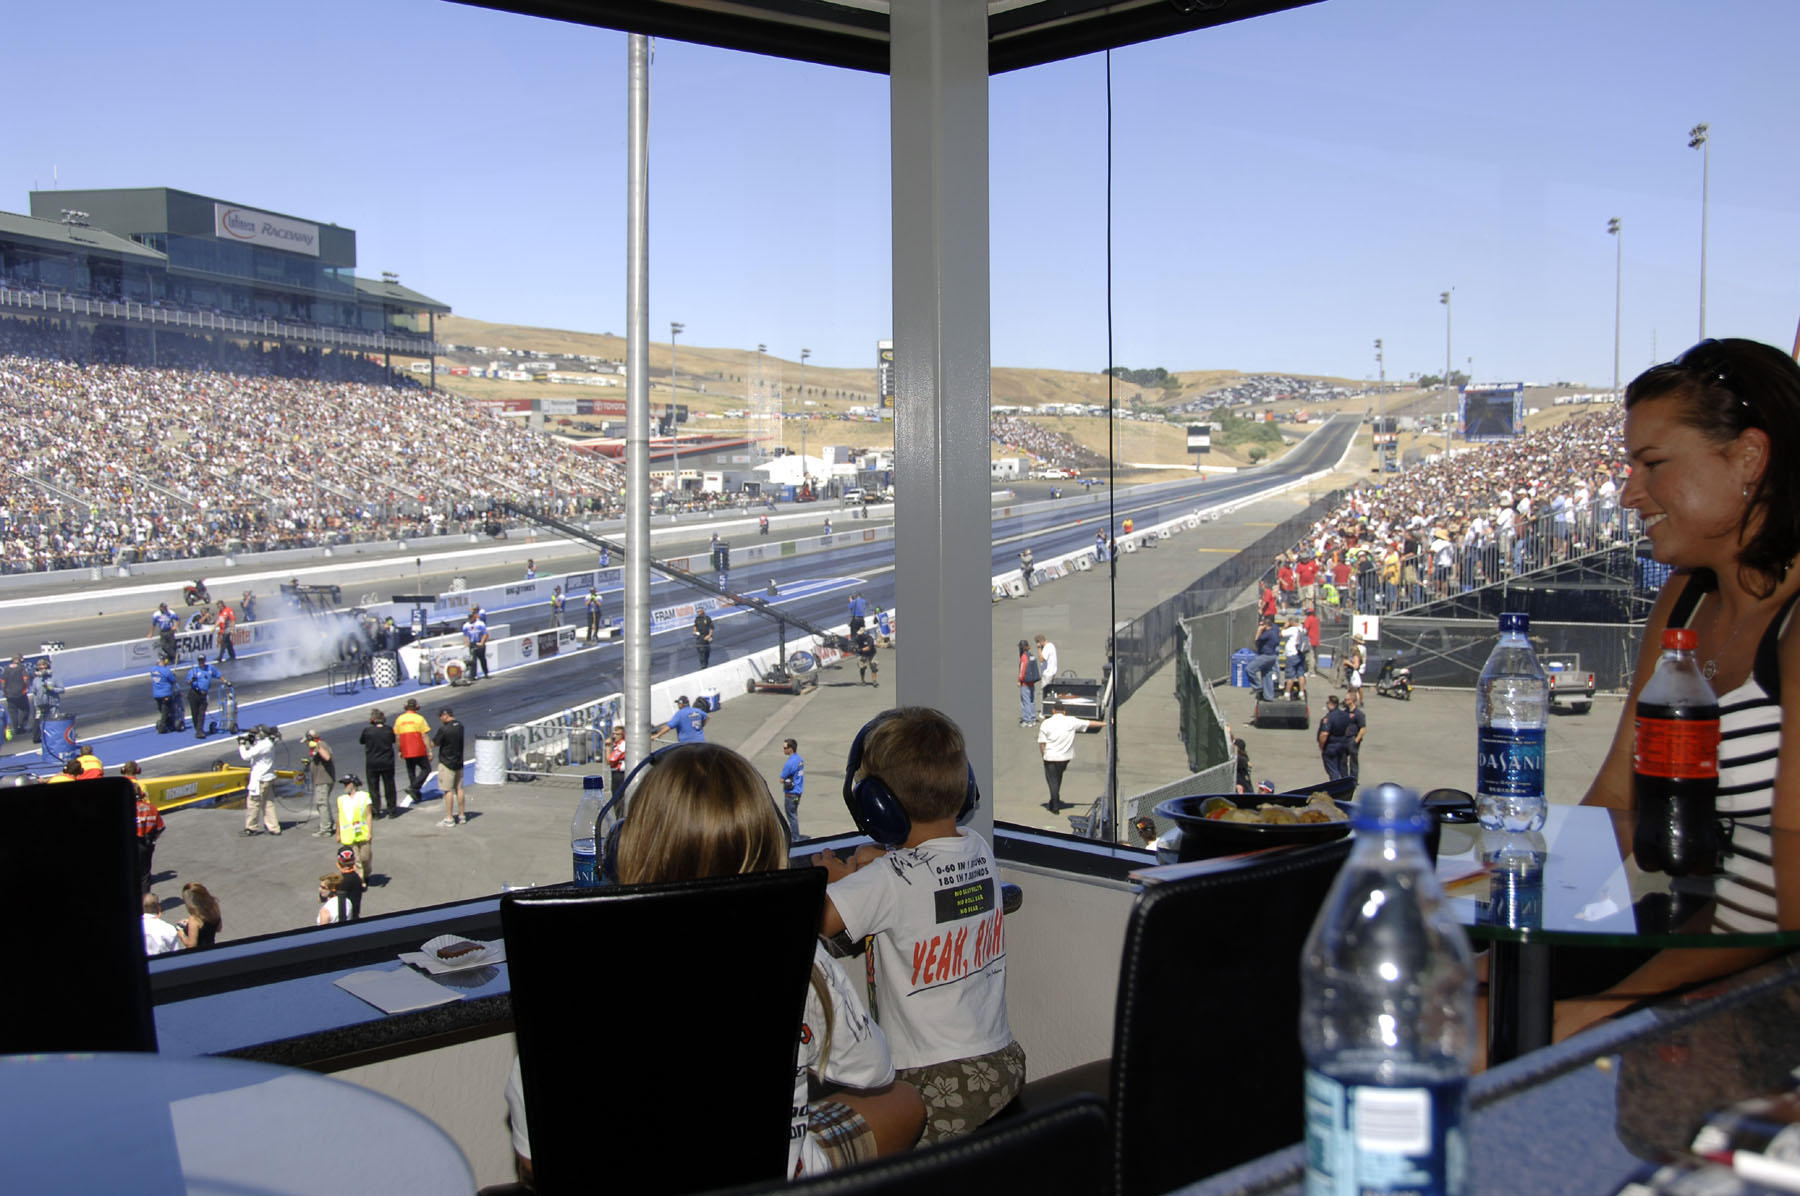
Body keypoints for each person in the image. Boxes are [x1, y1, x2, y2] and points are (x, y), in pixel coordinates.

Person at [502, 743, 924, 1185]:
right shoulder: (796, 956)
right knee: (905, 1100)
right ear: (773, 845)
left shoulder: (565, 978)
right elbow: (875, 1072)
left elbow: (534, 1161)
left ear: (623, 844)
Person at [1566, 339, 1800, 1040]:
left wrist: (1600, 1013)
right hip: (1697, 946)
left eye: (1654, 465)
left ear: (1749, 459)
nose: (1630, 491)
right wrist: (1509, 936)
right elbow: (1615, 801)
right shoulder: (1683, 601)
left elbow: (1788, 897)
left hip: (1766, 986)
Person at [815, 707, 1024, 1143]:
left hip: (934, 1081)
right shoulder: (978, 849)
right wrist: (878, 864)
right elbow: (925, 874)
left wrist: (836, 877)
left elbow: (825, 919)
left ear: (877, 807)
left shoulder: (889, 880)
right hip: (1000, 1061)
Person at [1037, 699, 1106, 814]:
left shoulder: (1046, 723)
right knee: (1058, 777)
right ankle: (1055, 798)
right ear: (1064, 711)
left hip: (1050, 756)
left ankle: (1054, 805)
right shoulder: (1071, 721)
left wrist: (1044, 755)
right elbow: (1088, 723)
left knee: (1052, 779)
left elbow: (1042, 742)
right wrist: (1105, 723)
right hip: (1065, 757)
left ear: (1053, 711)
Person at [126, 761, 162, 895]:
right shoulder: (151, 808)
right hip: (146, 843)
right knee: (145, 874)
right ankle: (145, 901)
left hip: (131, 843)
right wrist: (152, 838)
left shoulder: (126, 808)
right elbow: (160, 827)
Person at [358, 708, 399, 818]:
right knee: (390, 786)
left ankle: (376, 811)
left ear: (372, 719)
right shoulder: (389, 730)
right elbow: (393, 740)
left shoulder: (368, 731)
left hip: (372, 762)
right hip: (387, 762)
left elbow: (361, 741)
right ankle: (392, 811)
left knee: (373, 788)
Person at [240, 727, 279, 836]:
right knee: (268, 803)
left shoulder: (263, 745)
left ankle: (251, 828)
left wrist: (241, 744)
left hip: (260, 779)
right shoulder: (269, 743)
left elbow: (246, 756)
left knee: (254, 803)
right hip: (268, 777)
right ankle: (274, 827)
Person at [336, 775, 373, 884]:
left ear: (353, 784)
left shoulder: (364, 796)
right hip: (348, 835)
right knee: (356, 860)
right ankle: (360, 882)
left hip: (363, 833)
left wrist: (370, 832)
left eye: (347, 783)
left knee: (365, 857)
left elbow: (368, 815)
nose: (345, 786)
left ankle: (366, 874)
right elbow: (339, 817)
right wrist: (338, 833)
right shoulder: (341, 799)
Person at [394, 699, 432, 805]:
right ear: (416, 707)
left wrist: (399, 750)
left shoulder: (399, 719)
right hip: (418, 749)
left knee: (411, 772)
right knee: (426, 769)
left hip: (406, 749)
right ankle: (414, 788)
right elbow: (424, 735)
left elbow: (397, 737)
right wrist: (429, 750)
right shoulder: (419, 718)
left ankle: (416, 793)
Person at [433, 708, 466, 827]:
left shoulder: (444, 729)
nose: (440, 719)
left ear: (445, 715)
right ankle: (462, 815)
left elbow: (434, 743)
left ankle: (449, 818)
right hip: (458, 761)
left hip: (447, 762)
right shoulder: (460, 726)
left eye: (440, 716)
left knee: (448, 791)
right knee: (459, 789)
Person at [304, 729, 337, 836]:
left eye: (306, 741)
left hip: (324, 779)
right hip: (320, 779)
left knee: (322, 803)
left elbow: (327, 757)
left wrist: (317, 746)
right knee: (323, 803)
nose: (306, 744)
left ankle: (326, 829)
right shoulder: (317, 746)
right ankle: (329, 824)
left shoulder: (321, 744)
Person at [176, 881, 221, 950]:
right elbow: (218, 928)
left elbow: (191, 945)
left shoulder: (194, 919)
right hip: (212, 947)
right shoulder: (214, 907)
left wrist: (181, 934)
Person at [1317, 695, 1352, 781]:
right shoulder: (1345, 715)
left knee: (1333, 771)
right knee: (1342, 769)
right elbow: (1348, 730)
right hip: (1343, 745)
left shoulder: (1329, 717)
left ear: (1330, 704)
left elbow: (1324, 734)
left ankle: (1336, 789)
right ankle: (1345, 787)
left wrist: (1321, 747)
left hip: (1331, 746)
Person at [185, 654, 220, 739]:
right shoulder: (194, 671)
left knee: (201, 713)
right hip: (194, 694)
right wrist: (192, 680)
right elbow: (188, 682)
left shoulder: (210, 668)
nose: (201, 662)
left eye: (203, 660)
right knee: (195, 713)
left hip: (203, 695)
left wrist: (226, 682)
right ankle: (197, 729)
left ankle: (200, 730)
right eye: (200, 661)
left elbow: (218, 675)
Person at [1247, 617, 1281, 701]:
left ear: (1265, 625)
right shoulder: (1274, 631)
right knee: (1267, 675)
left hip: (1266, 656)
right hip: (1272, 656)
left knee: (1249, 669)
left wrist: (1259, 630)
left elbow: (1256, 641)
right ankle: (1269, 696)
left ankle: (1257, 686)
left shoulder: (1267, 634)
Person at [28, 659, 61, 744]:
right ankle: (36, 737)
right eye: (40, 666)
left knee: (54, 719)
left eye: (44, 665)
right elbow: (34, 692)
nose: (42, 667)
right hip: (40, 704)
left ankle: (55, 736)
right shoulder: (36, 680)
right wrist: (35, 703)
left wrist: (52, 689)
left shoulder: (54, 677)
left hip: (52, 703)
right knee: (37, 720)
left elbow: (62, 689)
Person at [779, 738, 805, 838]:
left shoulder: (790, 763)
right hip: (797, 794)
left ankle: (795, 838)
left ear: (791, 749)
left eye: (785, 748)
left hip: (791, 795)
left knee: (791, 816)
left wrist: (784, 780)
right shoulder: (799, 760)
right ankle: (795, 835)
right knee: (794, 813)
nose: (783, 749)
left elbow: (781, 779)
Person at [333, 847, 366, 919]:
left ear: (339, 861)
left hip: (345, 918)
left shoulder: (342, 881)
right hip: (355, 915)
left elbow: (336, 902)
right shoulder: (356, 877)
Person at [151, 655, 181, 734]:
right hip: (166, 694)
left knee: (162, 710)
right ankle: (162, 726)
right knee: (166, 711)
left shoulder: (153, 669)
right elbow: (173, 680)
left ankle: (167, 723)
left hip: (156, 695)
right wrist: (173, 675)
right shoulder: (166, 671)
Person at [1, 654, 27, 742]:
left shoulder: (6, 669)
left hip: (9, 694)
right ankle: (21, 725)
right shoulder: (22, 668)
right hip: (20, 693)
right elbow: (25, 679)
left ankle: (15, 728)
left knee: (13, 712)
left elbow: (3, 682)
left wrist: (4, 692)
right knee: (25, 710)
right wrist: (26, 688)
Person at [1343, 688, 1368, 779]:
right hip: (1343, 739)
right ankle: (1344, 779)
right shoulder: (1344, 712)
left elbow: (1363, 729)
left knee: (1353, 761)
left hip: (1352, 739)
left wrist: (1356, 740)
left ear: (1352, 700)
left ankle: (1353, 779)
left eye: (1347, 699)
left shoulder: (1359, 714)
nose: (1345, 701)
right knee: (1342, 760)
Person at [1016, 639, 1039, 726]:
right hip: (1031, 682)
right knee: (1031, 700)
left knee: (1025, 701)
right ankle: (1032, 719)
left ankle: (1027, 720)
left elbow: (1022, 670)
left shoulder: (1024, 657)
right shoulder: (1031, 655)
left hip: (1025, 683)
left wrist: (1019, 680)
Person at [463, 610, 491, 680]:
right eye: (469, 617)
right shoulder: (466, 625)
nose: (470, 618)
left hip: (479, 643)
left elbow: (485, 634)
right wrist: (466, 643)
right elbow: (465, 635)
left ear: (474, 617)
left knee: (482, 659)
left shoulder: (480, 624)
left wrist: (482, 642)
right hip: (472, 644)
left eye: (471, 617)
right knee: (473, 660)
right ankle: (473, 675)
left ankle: (486, 673)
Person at [607, 725, 627, 796]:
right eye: (613, 734)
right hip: (616, 774)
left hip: (619, 774)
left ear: (623, 735)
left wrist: (608, 747)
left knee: (618, 797)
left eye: (617, 734)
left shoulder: (622, 745)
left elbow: (610, 761)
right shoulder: (617, 744)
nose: (614, 736)